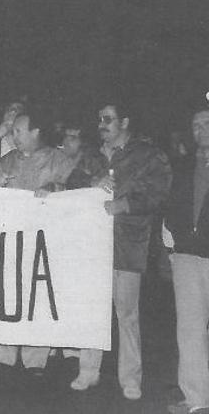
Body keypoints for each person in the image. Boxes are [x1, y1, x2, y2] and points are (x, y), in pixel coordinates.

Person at [69, 102, 171, 400]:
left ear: (124, 122)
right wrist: (91, 181)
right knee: (91, 310)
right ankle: (88, 371)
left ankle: (131, 378)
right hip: (94, 246)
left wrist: (123, 205)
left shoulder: (146, 154)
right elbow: (72, 182)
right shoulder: (92, 156)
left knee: (127, 314)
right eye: (99, 119)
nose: (101, 124)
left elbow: (159, 192)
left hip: (129, 245)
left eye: (108, 119)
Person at [0, 109, 73, 376]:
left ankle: (35, 359)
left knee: (38, 296)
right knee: (8, 295)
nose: (14, 137)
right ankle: (4, 353)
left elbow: (77, 192)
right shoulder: (6, 160)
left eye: (18, 131)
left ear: (36, 132)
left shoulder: (59, 160)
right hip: (11, 239)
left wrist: (55, 190)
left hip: (44, 240)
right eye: (12, 132)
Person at [164, 105, 209, 414]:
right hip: (186, 257)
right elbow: (169, 208)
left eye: (206, 122)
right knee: (190, 329)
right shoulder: (181, 164)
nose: (200, 129)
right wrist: (171, 245)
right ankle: (195, 399)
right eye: (195, 125)